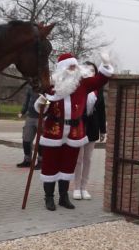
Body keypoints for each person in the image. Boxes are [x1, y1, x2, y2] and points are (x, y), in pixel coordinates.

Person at [34, 52, 113, 211]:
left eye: (74, 65)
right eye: (70, 66)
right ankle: (49, 198)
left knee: (68, 165)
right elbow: (42, 108)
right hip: (53, 132)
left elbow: (101, 79)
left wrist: (105, 64)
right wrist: (42, 104)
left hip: (74, 133)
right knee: (50, 165)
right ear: (62, 69)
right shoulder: (51, 87)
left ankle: (64, 197)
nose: (73, 68)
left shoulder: (83, 84)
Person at [72, 61, 107, 200]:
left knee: (88, 159)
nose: (90, 72)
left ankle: (84, 187)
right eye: (87, 70)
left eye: (93, 70)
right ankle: (76, 188)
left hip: (93, 126)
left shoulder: (99, 89)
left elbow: (102, 110)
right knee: (78, 159)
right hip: (79, 126)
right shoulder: (77, 86)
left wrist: (103, 130)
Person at [16, 85, 42, 170]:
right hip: (30, 117)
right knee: (26, 139)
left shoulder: (45, 88)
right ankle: (27, 160)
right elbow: (27, 102)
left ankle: (41, 161)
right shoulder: (30, 88)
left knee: (41, 141)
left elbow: (49, 102)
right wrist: (22, 111)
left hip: (41, 117)